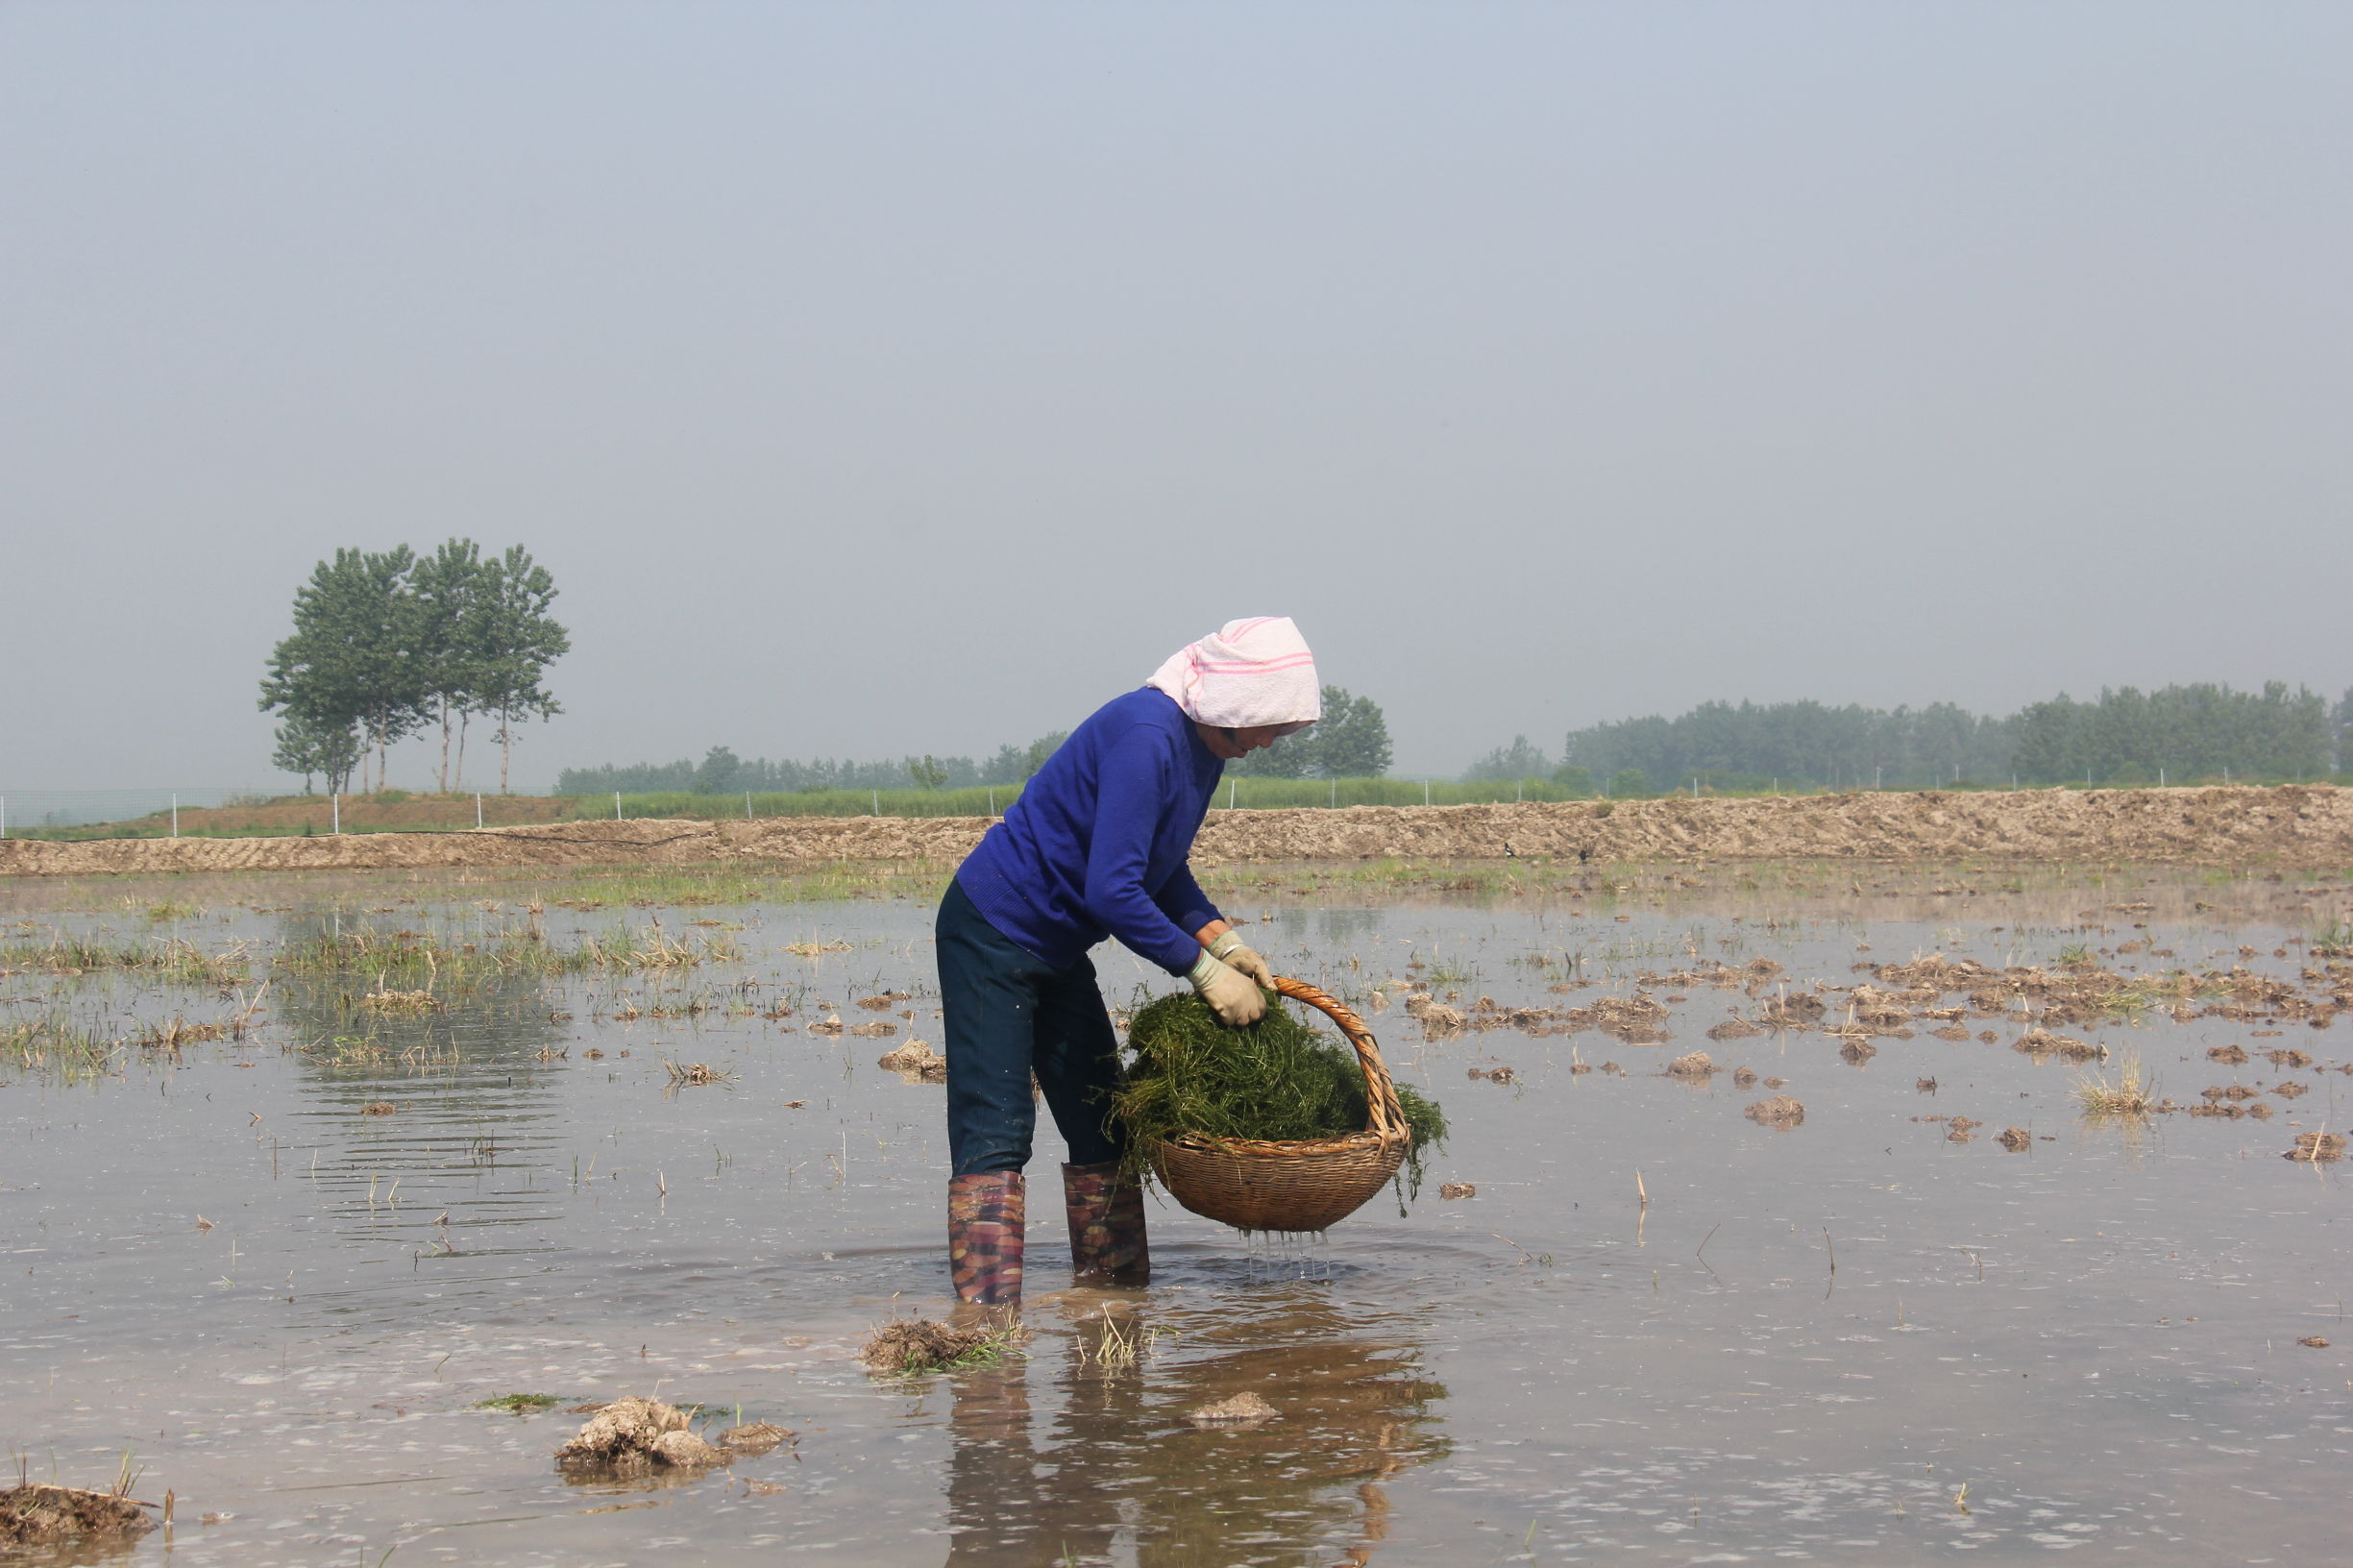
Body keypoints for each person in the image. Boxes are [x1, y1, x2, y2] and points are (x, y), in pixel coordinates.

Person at [936, 617, 1322, 1309]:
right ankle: (985, 1329)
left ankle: (1112, 1301)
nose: (1266, 742)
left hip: (1057, 945)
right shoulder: (1148, 735)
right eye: (1264, 725)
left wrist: (1221, 937)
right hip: (992, 930)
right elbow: (1111, 890)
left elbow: (1159, 866)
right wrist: (1201, 972)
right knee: (995, 1127)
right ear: (1230, 706)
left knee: (1101, 1119)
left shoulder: (1204, 749)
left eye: (1281, 729)